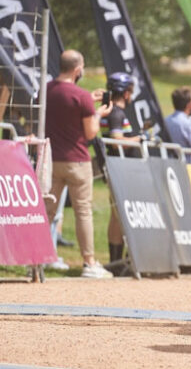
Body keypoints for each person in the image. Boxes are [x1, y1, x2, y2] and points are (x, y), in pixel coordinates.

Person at [44, 49, 113, 278]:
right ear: (77, 69)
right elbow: (91, 132)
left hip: (51, 160)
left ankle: (38, 258)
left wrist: (88, 101)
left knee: (47, 211)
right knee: (83, 212)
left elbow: (63, 106)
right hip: (77, 161)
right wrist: (98, 114)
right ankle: (89, 263)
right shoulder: (81, 96)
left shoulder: (45, 91)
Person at [99, 72, 141, 270]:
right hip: (121, 168)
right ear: (126, 93)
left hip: (121, 168)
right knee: (118, 216)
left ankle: (118, 260)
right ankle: (116, 262)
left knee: (118, 215)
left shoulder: (112, 110)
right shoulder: (116, 112)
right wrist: (139, 140)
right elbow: (116, 141)